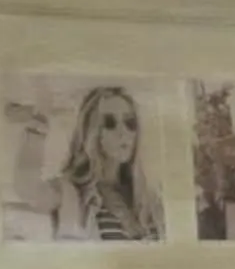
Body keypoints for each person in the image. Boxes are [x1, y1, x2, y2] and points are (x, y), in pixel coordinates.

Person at [46, 83, 162, 242]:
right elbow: (27, 190)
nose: (123, 133)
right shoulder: (72, 191)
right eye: (109, 123)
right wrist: (35, 126)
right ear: (92, 131)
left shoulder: (149, 198)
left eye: (130, 123)